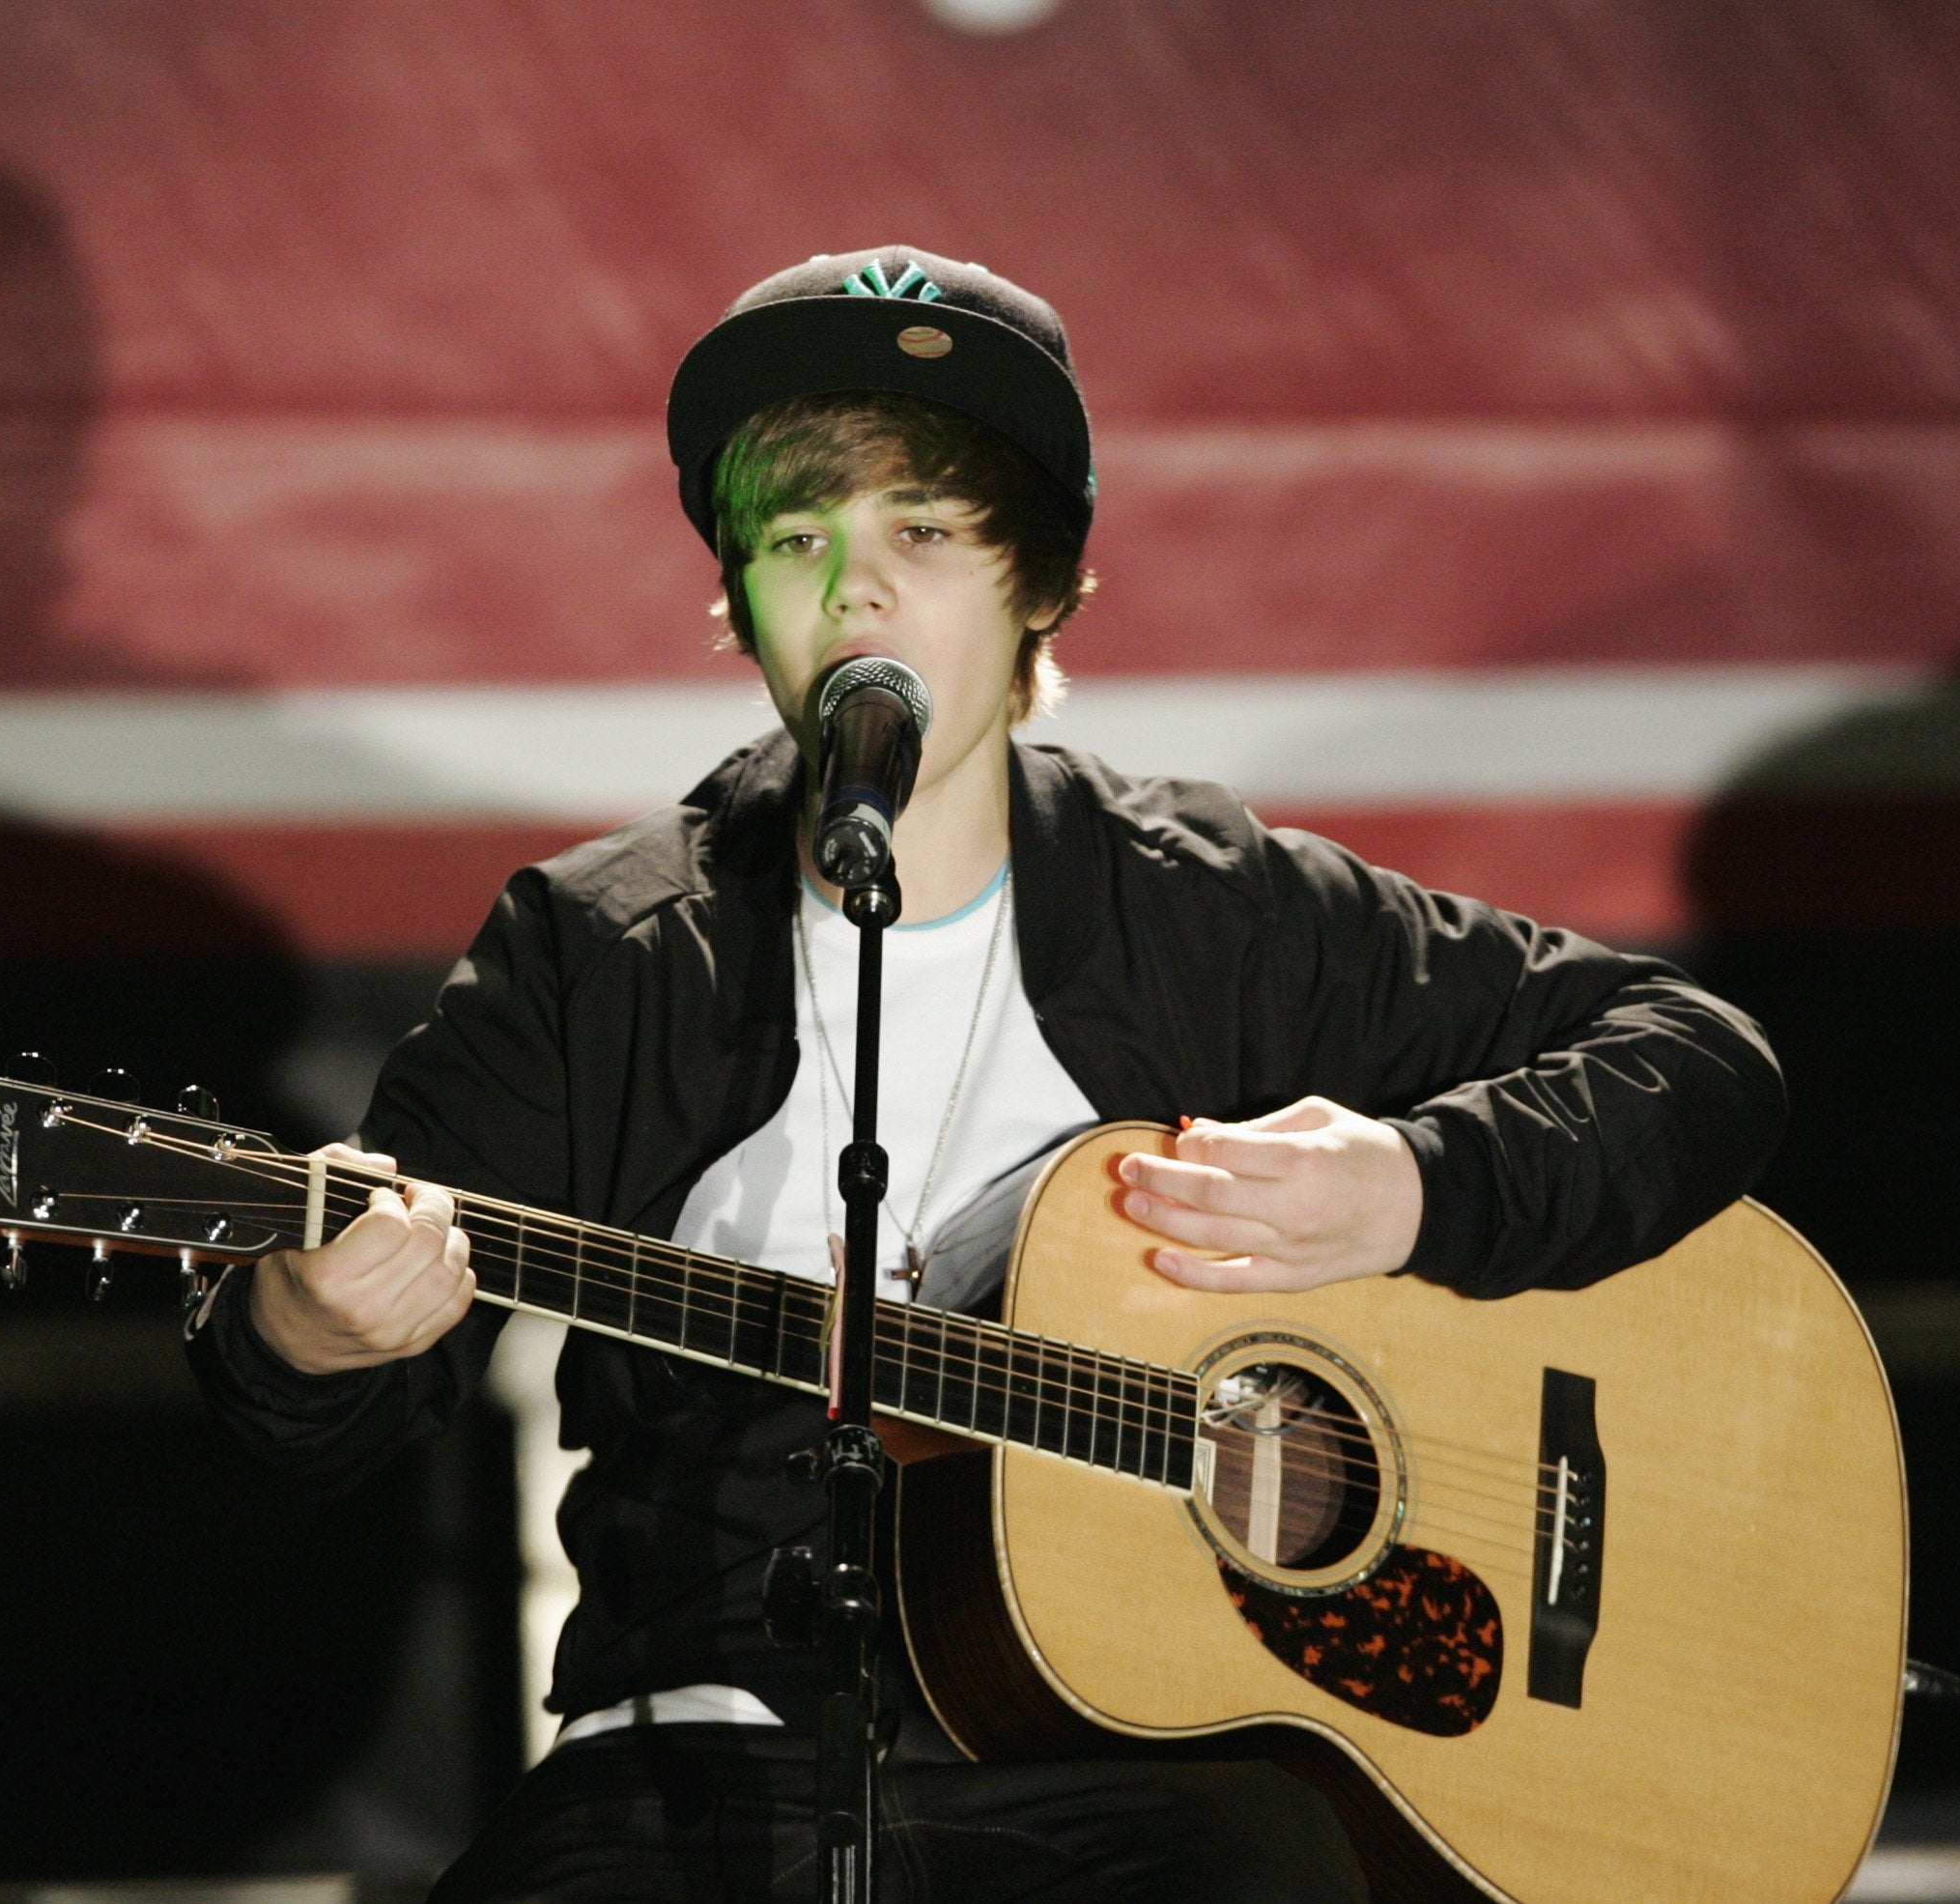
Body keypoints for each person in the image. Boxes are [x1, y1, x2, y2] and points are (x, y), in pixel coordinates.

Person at [188, 247, 1787, 1904]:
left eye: (925, 534)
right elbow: (317, 1411)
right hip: (706, 1756)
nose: (855, 593)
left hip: (1160, 1772)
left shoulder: (1209, 909)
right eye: (796, 540)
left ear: (1041, 585)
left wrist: (1413, 1190)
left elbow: (1696, 1061)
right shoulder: (605, 952)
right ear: (739, 602)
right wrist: (307, 1328)